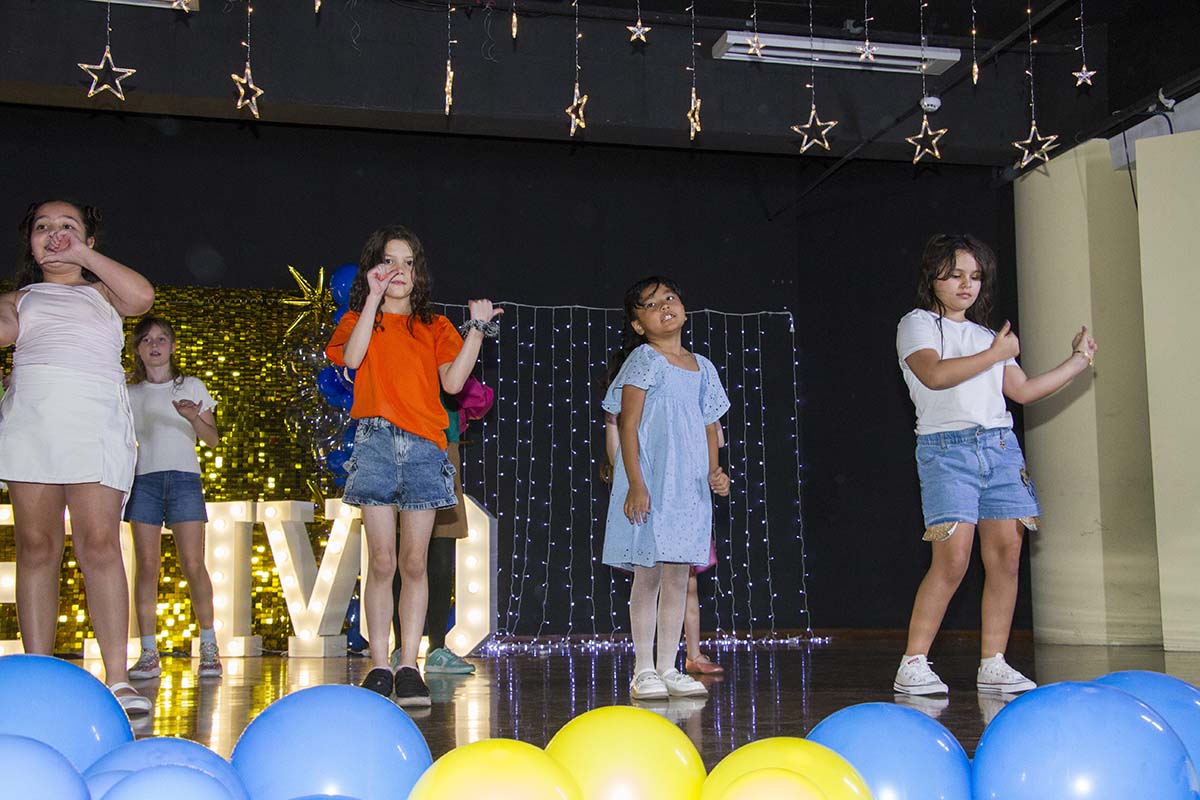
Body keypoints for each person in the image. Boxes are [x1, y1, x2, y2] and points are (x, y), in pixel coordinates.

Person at [893, 233, 1097, 696]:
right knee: (953, 557)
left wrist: (1078, 360)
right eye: (955, 275)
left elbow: (1022, 391)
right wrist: (995, 355)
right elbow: (934, 375)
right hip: (948, 450)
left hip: (1000, 448)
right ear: (933, 277)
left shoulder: (987, 336)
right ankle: (913, 662)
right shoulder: (918, 324)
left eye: (976, 276)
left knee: (1006, 555)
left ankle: (994, 662)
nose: (967, 285)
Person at [326, 224, 500, 706]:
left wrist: (477, 330)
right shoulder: (358, 320)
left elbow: (454, 383)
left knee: (414, 561)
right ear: (373, 268)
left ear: (418, 273)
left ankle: (409, 665)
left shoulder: (435, 326)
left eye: (408, 262)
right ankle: (379, 665)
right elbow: (353, 358)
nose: (398, 270)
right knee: (381, 560)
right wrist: (372, 300)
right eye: (389, 261)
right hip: (376, 443)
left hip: (425, 448)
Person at [0, 199, 155, 715]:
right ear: (30, 243)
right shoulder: (18, 298)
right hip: (33, 423)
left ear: (89, 240)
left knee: (100, 546)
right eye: (43, 227)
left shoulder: (104, 292)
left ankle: (118, 678)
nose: (55, 233)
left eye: (68, 226)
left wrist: (83, 257)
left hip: (95, 423)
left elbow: (142, 298)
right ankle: (38, 674)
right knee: (36, 548)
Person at [602, 276, 731, 701]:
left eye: (669, 298)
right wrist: (636, 483)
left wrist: (715, 471)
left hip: (688, 489)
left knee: (678, 576)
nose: (664, 307)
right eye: (652, 305)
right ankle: (644, 669)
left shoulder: (704, 367)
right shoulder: (645, 359)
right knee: (649, 574)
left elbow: (710, 426)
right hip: (654, 481)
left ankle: (668, 666)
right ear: (639, 325)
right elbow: (628, 423)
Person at [123, 316, 222, 680]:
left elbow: (212, 440)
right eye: (147, 340)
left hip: (184, 480)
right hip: (144, 481)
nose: (155, 345)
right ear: (137, 349)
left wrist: (194, 417)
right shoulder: (128, 392)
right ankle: (149, 652)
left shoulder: (191, 385)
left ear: (173, 346)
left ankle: (209, 646)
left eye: (161, 339)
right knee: (147, 566)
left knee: (193, 563)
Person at [605, 412, 724, 676]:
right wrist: (612, 422)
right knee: (650, 581)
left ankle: (690, 654)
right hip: (652, 505)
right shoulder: (635, 408)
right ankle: (646, 665)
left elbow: (716, 439)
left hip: (683, 504)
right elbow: (617, 457)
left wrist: (708, 428)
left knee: (686, 584)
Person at [390, 378, 494, 676]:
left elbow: (479, 399)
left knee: (441, 552)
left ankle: (436, 648)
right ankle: (401, 649)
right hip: (400, 442)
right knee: (399, 553)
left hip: (442, 444)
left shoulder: (444, 357)